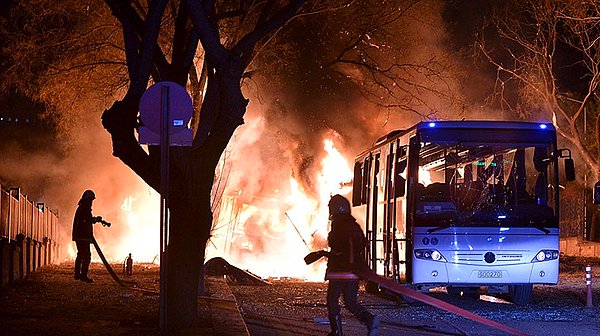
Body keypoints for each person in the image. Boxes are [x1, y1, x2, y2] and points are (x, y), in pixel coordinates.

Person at [325, 194, 379, 336]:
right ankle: (370, 320)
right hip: (354, 270)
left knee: (332, 300)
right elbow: (362, 243)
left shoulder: (338, 226)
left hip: (340, 271)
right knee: (350, 301)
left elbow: (337, 247)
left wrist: (330, 254)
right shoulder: (354, 225)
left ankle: (336, 331)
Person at [72, 189, 105, 283]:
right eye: (91, 200)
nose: (91, 202)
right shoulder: (85, 208)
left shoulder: (81, 207)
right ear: (87, 199)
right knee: (86, 256)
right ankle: (83, 276)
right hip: (83, 236)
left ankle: (77, 275)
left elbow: (86, 219)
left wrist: (95, 220)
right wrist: (96, 219)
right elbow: (87, 220)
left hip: (80, 235)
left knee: (80, 255)